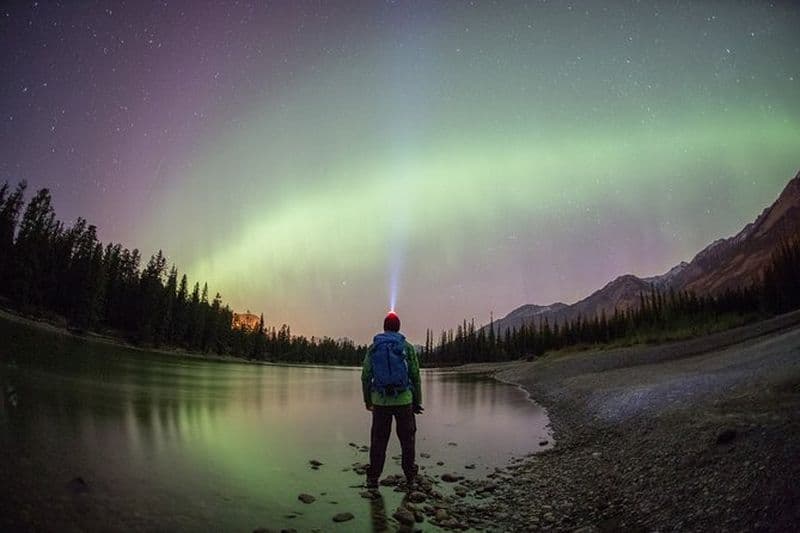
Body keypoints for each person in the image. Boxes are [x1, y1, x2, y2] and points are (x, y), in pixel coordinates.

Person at [361, 311, 423, 490]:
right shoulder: (407, 347)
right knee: (407, 440)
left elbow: (365, 376)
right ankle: (410, 477)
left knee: (379, 440)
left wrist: (368, 400)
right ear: (399, 327)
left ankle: (373, 478)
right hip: (404, 400)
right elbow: (415, 375)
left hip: (380, 402)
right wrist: (417, 401)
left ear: (384, 327)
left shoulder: (373, 348)